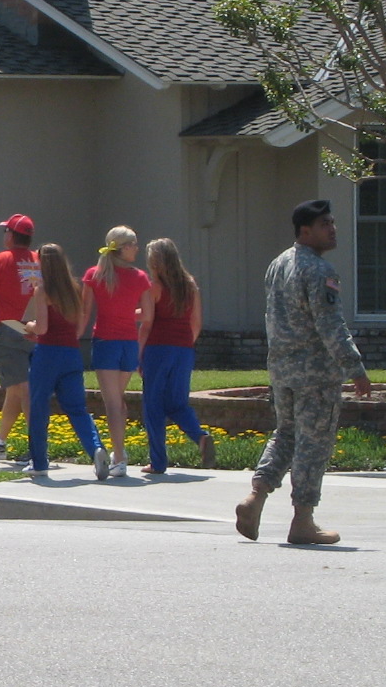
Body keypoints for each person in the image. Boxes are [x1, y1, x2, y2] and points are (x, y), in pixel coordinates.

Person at [235, 200, 371, 545]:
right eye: (325, 224)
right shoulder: (319, 270)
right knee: (314, 443)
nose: (333, 229)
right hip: (315, 372)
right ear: (305, 231)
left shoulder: (278, 264)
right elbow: (330, 324)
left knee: (287, 434)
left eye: (332, 222)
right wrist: (353, 366)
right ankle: (303, 520)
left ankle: (256, 497)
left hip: (281, 368)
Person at [24, 243, 106, 478]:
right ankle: (96, 448)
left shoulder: (43, 290)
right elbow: (78, 324)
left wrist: (27, 326)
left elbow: (41, 327)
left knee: (39, 408)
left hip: (47, 354)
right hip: (71, 353)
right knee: (77, 409)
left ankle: (39, 463)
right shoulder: (73, 288)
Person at [136, 237, 214, 475]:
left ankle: (158, 462)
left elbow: (147, 323)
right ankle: (200, 436)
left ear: (156, 262)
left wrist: (139, 355)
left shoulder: (153, 287)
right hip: (183, 350)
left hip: (157, 349)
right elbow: (197, 322)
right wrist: (184, 344)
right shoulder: (190, 285)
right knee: (177, 402)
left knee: (153, 405)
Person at [82, 226, 151, 477]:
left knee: (112, 402)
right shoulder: (140, 277)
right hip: (128, 343)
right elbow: (148, 315)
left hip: (105, 341)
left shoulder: (95, 274)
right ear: (122, 247)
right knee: (118, 401)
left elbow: (85, 311)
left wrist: (74, 336)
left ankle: (119, 456)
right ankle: (118, 454)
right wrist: (127, 314)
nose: (136, 247)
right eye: (133, 243)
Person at [0, 215, 41, 464]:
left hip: (9, 331)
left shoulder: (2, 260)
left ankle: (36, 448)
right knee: (16, 390)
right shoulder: (39, 260)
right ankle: (0, 441)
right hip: (35, 330)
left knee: (22, 389)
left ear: (10, 235)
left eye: (5, 230)